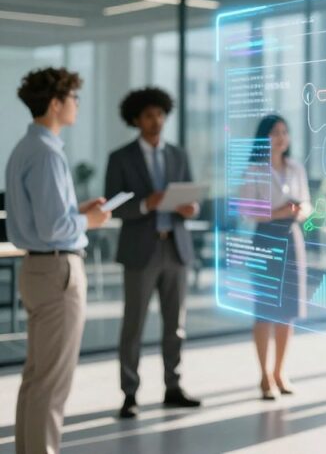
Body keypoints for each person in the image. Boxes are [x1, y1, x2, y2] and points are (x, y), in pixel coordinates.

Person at [7, 67, 112, 454]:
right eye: (73, 99)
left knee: (37, 378)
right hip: (57, 270)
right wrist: (90, 220)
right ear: (55, 104)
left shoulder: (26, 148)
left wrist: (77, 210)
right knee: (52, 384)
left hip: (38, 268)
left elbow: (45, 218)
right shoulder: (47, 153)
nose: (77, 105)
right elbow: (55, 228)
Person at [104, 87, 202, 419]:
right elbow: (113, 208)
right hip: (140, 251)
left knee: (175, 325)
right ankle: (129, 394)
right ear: (136, 120)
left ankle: (173, 386)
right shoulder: (120, 158)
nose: (156, 120)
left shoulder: (178, 154)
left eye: (160, 114)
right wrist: (148, 203)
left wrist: (191, 208)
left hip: (175, 247)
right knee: (134, 326)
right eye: (149, 115)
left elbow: (190, 195)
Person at [239, 115, 311, 400]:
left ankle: (280, 371)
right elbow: (247, 211)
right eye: (275, 133)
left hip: (292, 239)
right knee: (265, 309)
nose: (281, 137)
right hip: (265, 239)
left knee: (288, 310)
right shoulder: (254, 170)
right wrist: (281, 211)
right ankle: (264, 375)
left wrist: (298, 212)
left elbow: (306, 204)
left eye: (285, 131)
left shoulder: (296, 169)